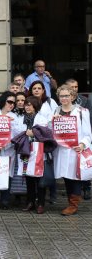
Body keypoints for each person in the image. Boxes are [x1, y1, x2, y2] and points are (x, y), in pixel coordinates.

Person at [53, 85, 92, 216]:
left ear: (73, 97)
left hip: (76, 150)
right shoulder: (55, 111)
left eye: (66, 96)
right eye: (61, 96)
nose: (63, 98)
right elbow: (51, 130)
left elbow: (88, 134)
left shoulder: (82, 111)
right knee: (66, 176)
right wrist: (51, 121)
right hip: (62, 150)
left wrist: (82, 144)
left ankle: (73, 204)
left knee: (76, 177)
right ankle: (71, 201)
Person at [17, 96, 49, 214]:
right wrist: (26, 133)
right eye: (26, 104)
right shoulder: (21, 118)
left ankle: (40, 203)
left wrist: (33, 133)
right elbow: (17, 132)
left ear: (35, 106)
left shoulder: (41, 118)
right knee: (29, 177)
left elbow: (45, 134)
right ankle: (30, 202)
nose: (27, 107)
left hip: (38, 151)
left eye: (30, 105)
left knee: (39, 179)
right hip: (26, 151)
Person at [66, 78, 92, 200]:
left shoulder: (85, 101)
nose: (74, 90)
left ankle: (86, 189)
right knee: (70, 172)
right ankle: (72, 197)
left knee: (84, 166)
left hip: (81, 141)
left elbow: (88, 121)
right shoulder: (60, 106)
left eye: (76, 87)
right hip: (67, 146)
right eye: (71, 87)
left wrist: (84, 142)